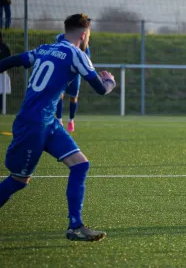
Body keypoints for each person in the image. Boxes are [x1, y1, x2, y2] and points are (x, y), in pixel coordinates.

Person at [0, 13, 116, 241]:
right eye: (88, 36)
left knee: (80, 164)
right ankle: (75, 226)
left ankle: (75, 226)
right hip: (33, 124)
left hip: (47, 121)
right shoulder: (77, 54)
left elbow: (12, 61)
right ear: (84, 35)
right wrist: (110, 81)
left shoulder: (45, 49)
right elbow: (101, 89)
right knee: (18, 180)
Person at [55, 33, 89, 132]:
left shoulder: (82, 39)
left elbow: (86, 55)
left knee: (73, 98)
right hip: (62, 71)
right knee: (59, 95)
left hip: (74, 73)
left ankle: (71, 120)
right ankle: (59, 120)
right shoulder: (60, 38)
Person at [0, 31, 10, 111]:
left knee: (1, 93)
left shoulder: (3, 47)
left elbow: (8, 59)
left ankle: (2, 110)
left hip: (2, 74)